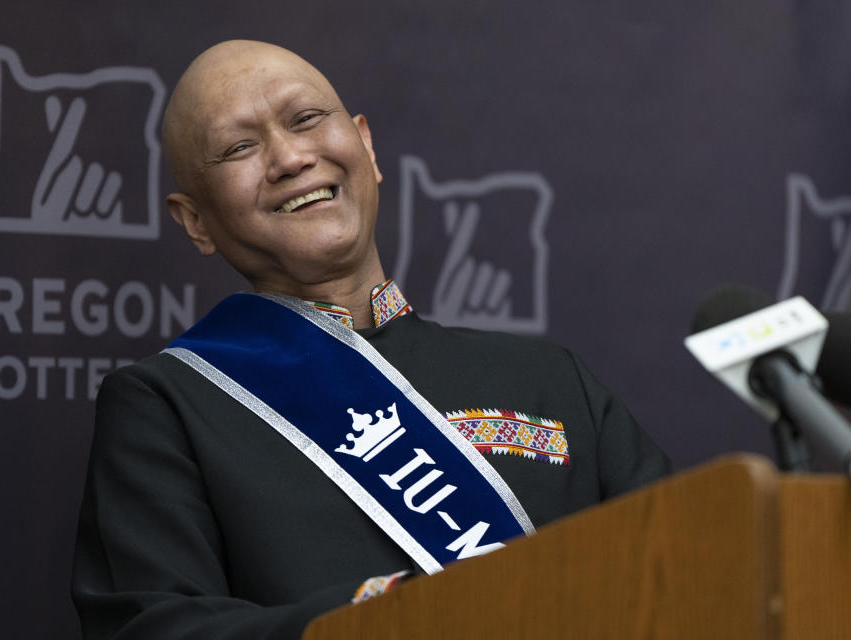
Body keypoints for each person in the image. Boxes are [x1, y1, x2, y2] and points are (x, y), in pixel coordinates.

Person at [71, 40, 670, 640]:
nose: (289, 157)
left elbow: (687, 562)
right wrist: (392, 615)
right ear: (195, 220)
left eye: (305, 119)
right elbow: (157, 629)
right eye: (239, 148)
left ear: (366, 145)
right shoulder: (167, 404)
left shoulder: (551, 379)